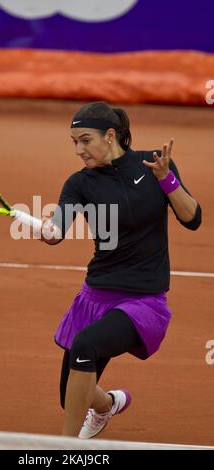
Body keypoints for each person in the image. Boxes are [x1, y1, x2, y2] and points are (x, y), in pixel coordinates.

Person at [39, 101, 202, 438]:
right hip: (95, 296)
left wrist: (167, 179)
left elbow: (193, 219)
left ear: (110, 135)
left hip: (142, 301)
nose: (78, 150)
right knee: (70, 394)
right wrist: (50, 229)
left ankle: (66, 451)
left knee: (84, 347)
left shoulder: (154, 163)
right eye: (74, 142)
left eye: (85, 140)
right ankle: (106, 405)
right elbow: (60, 224)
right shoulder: (80, 183)